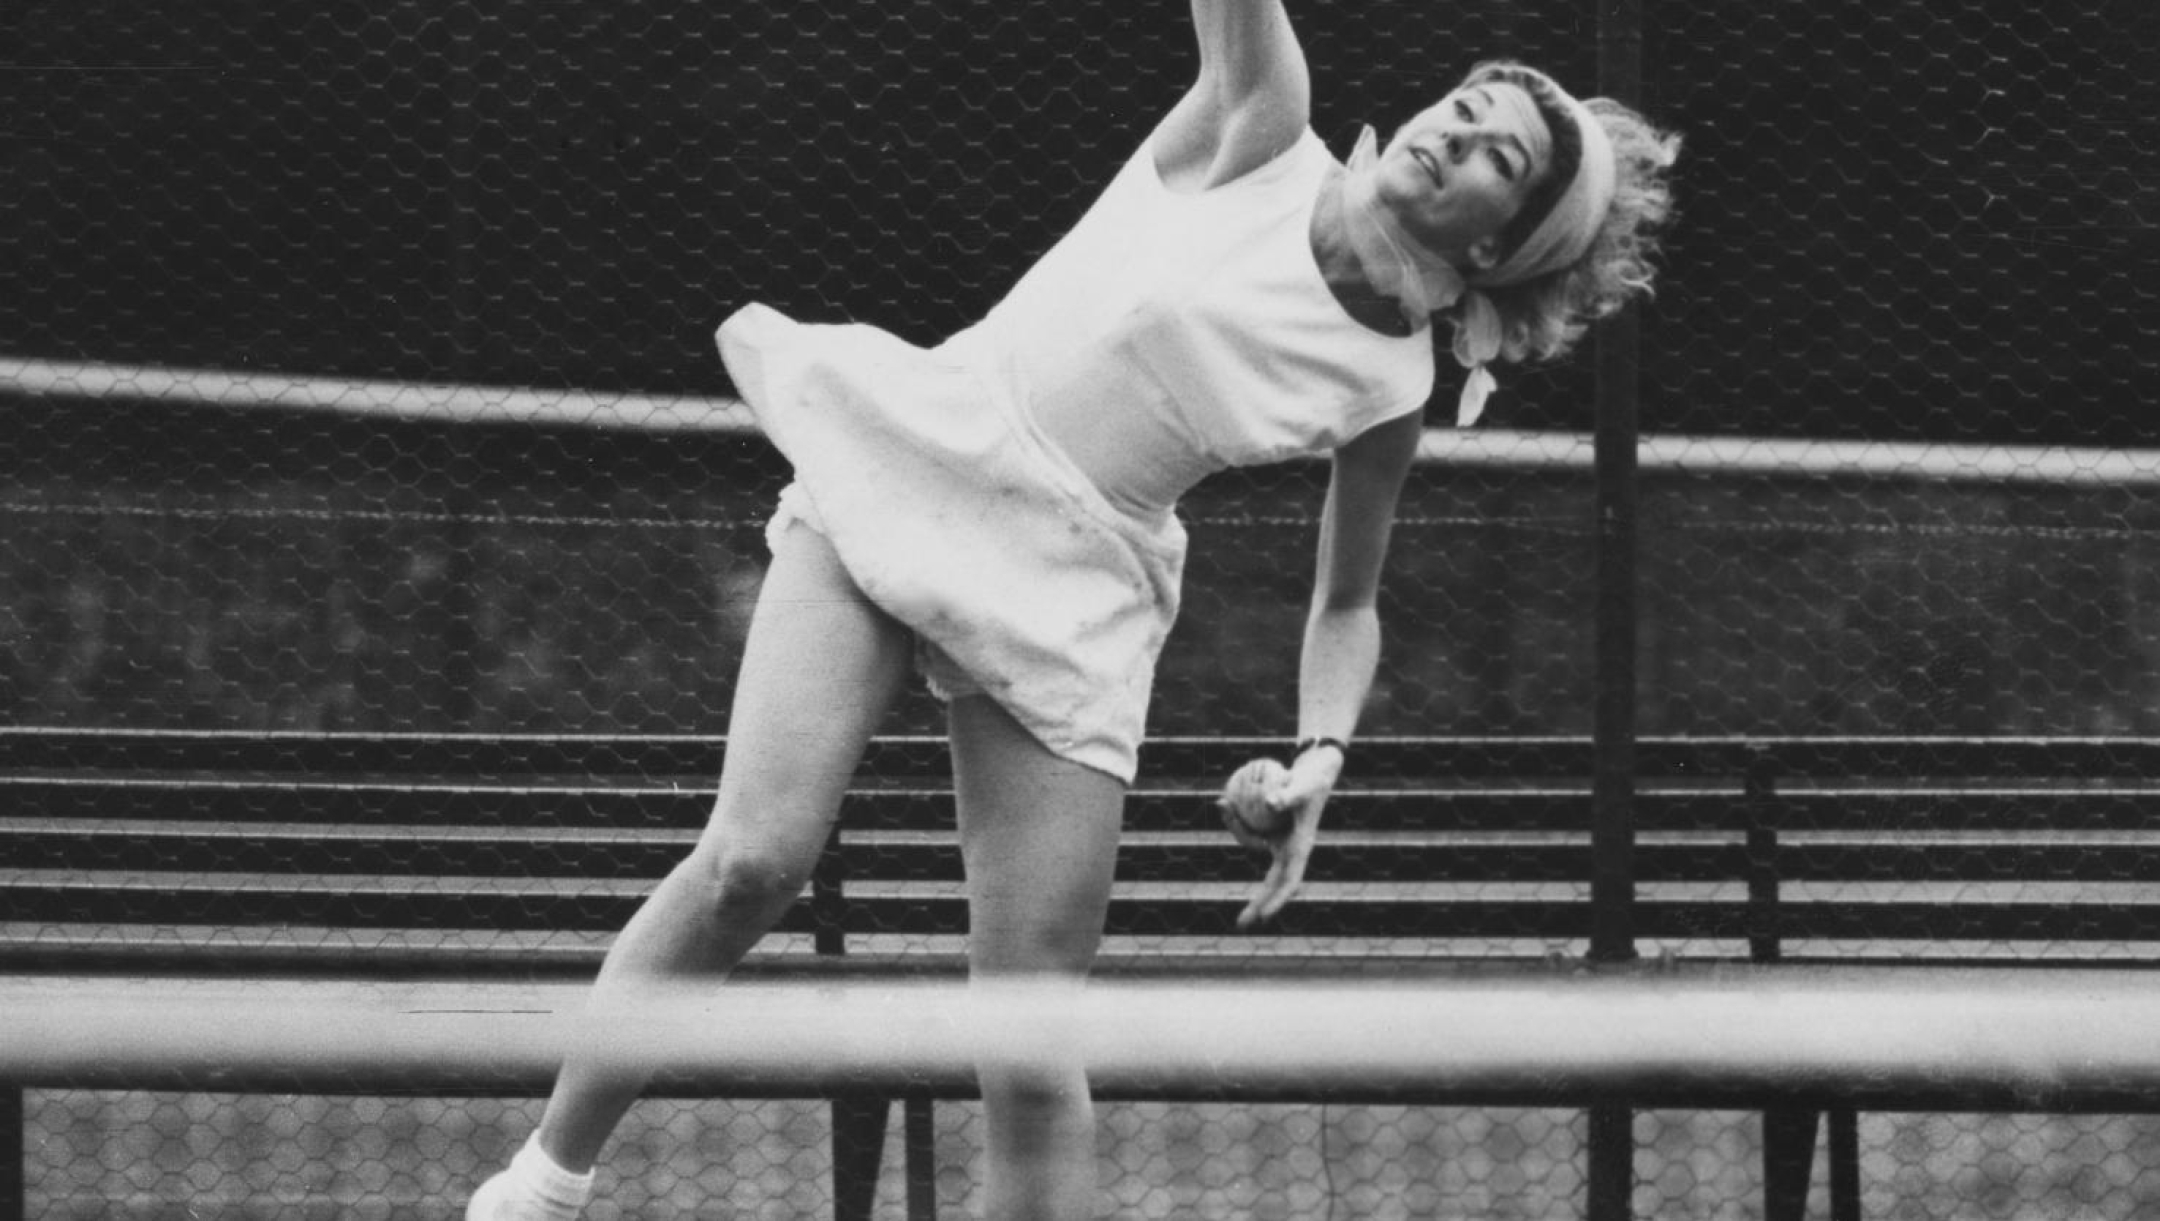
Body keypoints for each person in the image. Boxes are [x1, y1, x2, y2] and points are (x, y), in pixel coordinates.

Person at [468, 2, 1678, 1218]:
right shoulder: (1263, 123)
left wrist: (1321, 753)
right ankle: (537, 1191)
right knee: (751, 865)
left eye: (1495, 158)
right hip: (926, 453)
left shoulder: (1392, 383)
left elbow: (1347, 602)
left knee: (1033, 1040)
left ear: (1498, 252)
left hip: (1082, 587)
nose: (1452, 137)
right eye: (1461, 109)